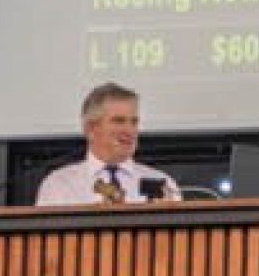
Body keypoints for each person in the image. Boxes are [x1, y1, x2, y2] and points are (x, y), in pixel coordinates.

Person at [33, 82, 180, 207]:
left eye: (134, 122)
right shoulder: (60, 185)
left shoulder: (163, 184)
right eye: (118, 121)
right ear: (90, 129)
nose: (129, 130)